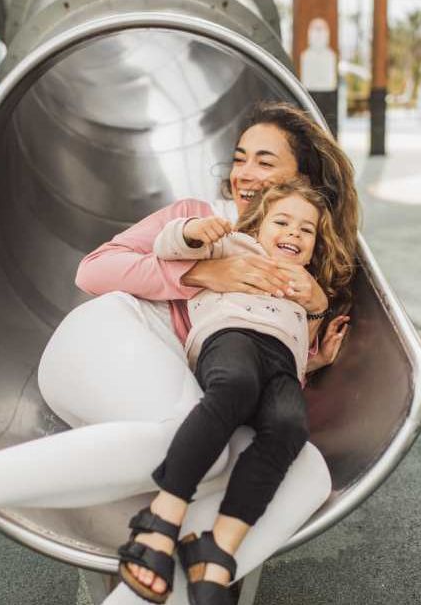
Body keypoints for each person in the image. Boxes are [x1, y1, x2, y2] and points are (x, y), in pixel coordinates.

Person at [0, 101, 360, 605]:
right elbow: (94, 269)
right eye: (240, 158)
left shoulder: (305, 270)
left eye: (265, 162)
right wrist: (202, 272)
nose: (244, 173)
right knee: (199, 440)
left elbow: (267, 366)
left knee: (306, 470)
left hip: (188, 385)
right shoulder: (202, 219)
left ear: (302, 181)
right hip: (112, 336)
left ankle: (149, 589)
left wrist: (310, 355)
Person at [118, 177, 353, 603]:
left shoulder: (307, 286)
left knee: (290, 425)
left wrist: (316, 348)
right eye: (282, 222)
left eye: (306, 230)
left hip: (282, 364)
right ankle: (160, 520)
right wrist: (193, 231)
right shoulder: (235, 247)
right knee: (236, 386)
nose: (293, 233)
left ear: (315, 246)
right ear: (258, 226)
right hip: (230, 337)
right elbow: (169, 247)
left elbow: (297, 345)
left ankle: (218, 547)